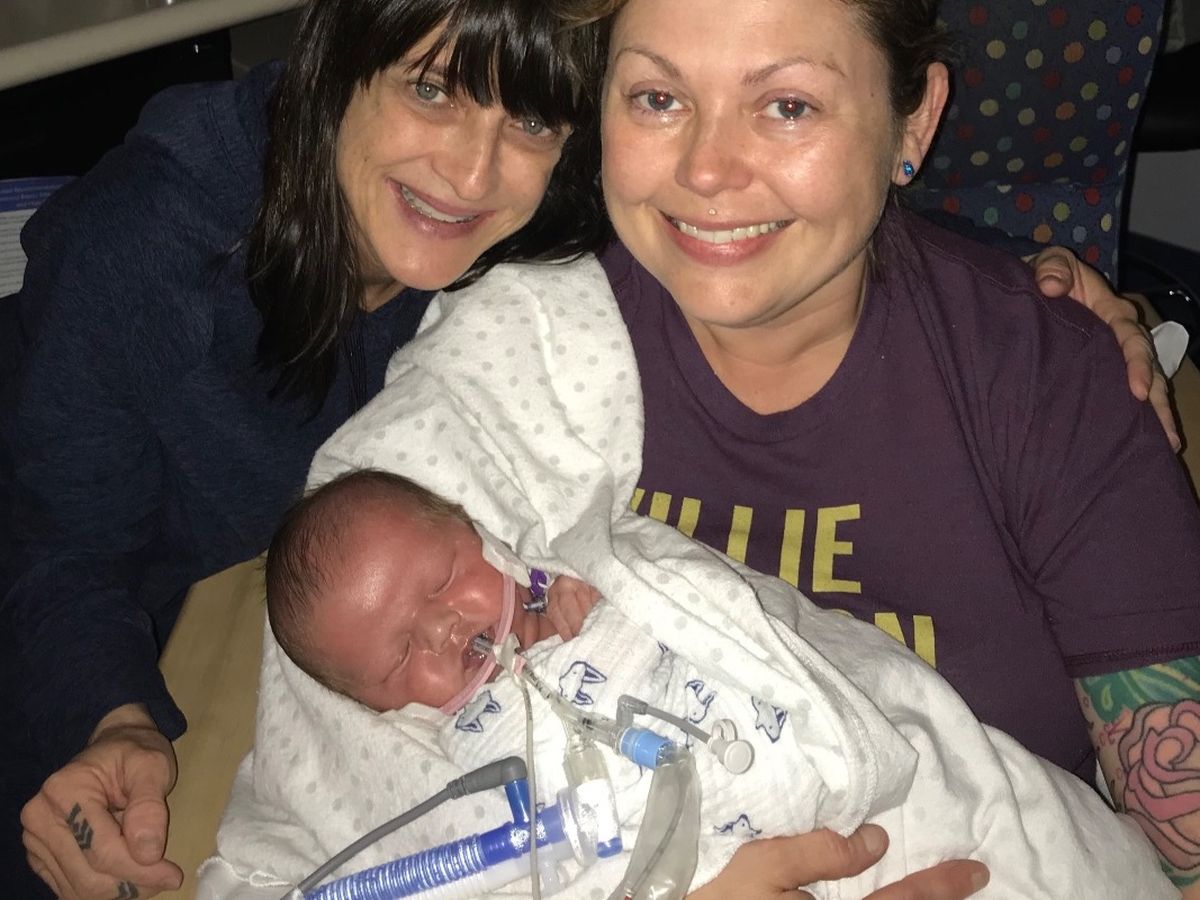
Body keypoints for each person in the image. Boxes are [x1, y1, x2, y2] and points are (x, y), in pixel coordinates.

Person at [0, 0, 1172, 896]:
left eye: (530, 119)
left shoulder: (541, 234)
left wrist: (1026, 289)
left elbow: (762, 213)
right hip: (112, 655)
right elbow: (55, 545)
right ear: (331, 57)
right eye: (429, 90)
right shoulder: (161, 252)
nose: (469, 171)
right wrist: (108, 715)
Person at [204, 263, 1171, 899]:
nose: (442, 632)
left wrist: (602, 621)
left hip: (933, 814)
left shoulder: (1031, 362)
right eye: (658, 99)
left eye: (788, 104)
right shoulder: (447, 766)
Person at [574, 0, 1200, 892]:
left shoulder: (1043, 376)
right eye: (658, 98)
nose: (705, 169)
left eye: (788, 106)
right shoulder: (519, 355)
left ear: (916, 120)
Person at [264, 469, 601, 713]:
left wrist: (595, 580)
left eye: (443, 582)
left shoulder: (570, 573)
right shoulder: (455, 750)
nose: (439, 631)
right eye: (400, 658)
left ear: (478, 533)